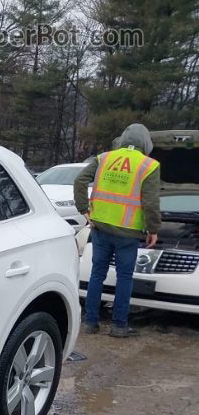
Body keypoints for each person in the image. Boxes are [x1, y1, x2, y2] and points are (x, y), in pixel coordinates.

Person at [74, 123, 161, 337]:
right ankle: (119, 326)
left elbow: (79, 180)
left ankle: (90, 322)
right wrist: (153, 229)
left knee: (97, 274)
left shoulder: (104, 158)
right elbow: (150, 202)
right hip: (128, 233)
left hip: (100, 227)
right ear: (146, 143)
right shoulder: (149, 165)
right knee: (124, 278)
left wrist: (84, 209)